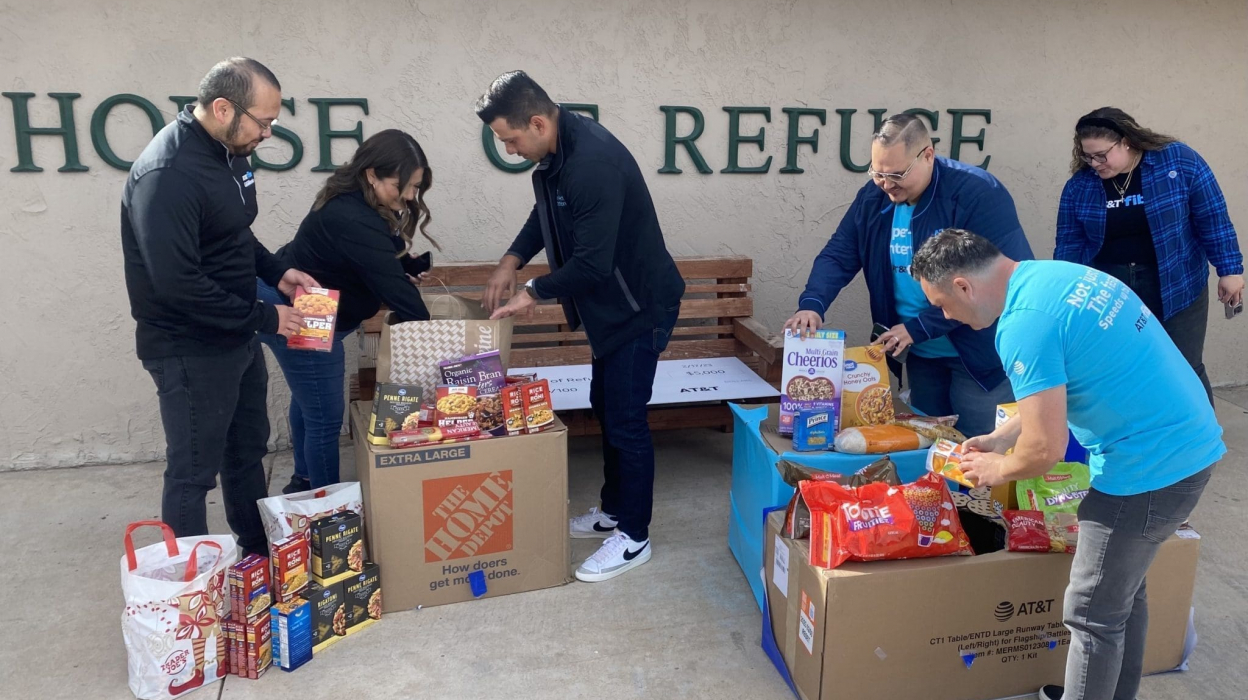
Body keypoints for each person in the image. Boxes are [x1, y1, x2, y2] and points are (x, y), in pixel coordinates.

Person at [910, 229, 1224, 700]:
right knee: (1119, 595)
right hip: (1186, 443)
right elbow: (1057, 385)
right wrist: (999, 439)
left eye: (940, 303)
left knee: (1091, 613)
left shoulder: (1023, 325)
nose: (944, 315)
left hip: (1150, 468)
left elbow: (1045, 450)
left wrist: (997, 470)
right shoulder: (1051, 277)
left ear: (962, 286)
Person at [476, 70, 685, 583]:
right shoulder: (557, 155)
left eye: (511, 138)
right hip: (609, 308)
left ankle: (634, 537)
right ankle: (614, 512)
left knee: (626, 419)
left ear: (539, 122)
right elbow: (546, 215)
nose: (508, 148)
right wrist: (512, 259)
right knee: (605, 405)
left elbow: (592, 262)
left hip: (639, 308)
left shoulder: (590, 162)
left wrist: (532, 293)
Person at [121, 58, 318, 557]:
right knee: (192, 473)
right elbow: (176, 284)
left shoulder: (231, 151)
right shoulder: (168, 173)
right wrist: (266, 315)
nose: (269, 133)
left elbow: (233, 232)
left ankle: (254, 560)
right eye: (264, 121)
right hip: (188, 348)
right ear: (223, 107)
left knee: (246, 452)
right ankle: (193, 589)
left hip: (237, 338)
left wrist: (277, 272)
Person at [784, 113, 1033, 437]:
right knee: (929, 447)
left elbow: (998, 281)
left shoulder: (977, 192)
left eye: (897, 174)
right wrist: (812, 304)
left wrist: (920, 327)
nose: (887, 184)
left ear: (927, 155)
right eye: (877, 173)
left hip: (980, 353)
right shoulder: (874, 198)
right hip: (921, 354)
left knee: (980, 449)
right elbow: (840, 253)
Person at [261, 129, 438, 494]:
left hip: (311, 306)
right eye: (402, 185)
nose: (409, 196)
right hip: (302, 309)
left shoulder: (356, 201)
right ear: (372, 174)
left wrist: (404, 267)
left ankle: (305, 482)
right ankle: (327, 510)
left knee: (309, 401)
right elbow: (404, 300)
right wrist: (436, 344)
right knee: (325, 418)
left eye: (415, 187)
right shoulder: (351, 215)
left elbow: (365, 255)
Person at [1056, 107, 1244, 405]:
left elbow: (1212, 215)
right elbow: (1069, 243)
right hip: (1111, 291)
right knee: (1121, 367)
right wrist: (1066, 294)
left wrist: (1230, 269)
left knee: (1183, 366)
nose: (1094, 163)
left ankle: (1199, 441)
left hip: (1177, 283)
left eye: (1102, 155)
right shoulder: (1080, 186)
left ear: (1127, 141)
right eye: (1087, 156)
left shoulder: (1178, 161)